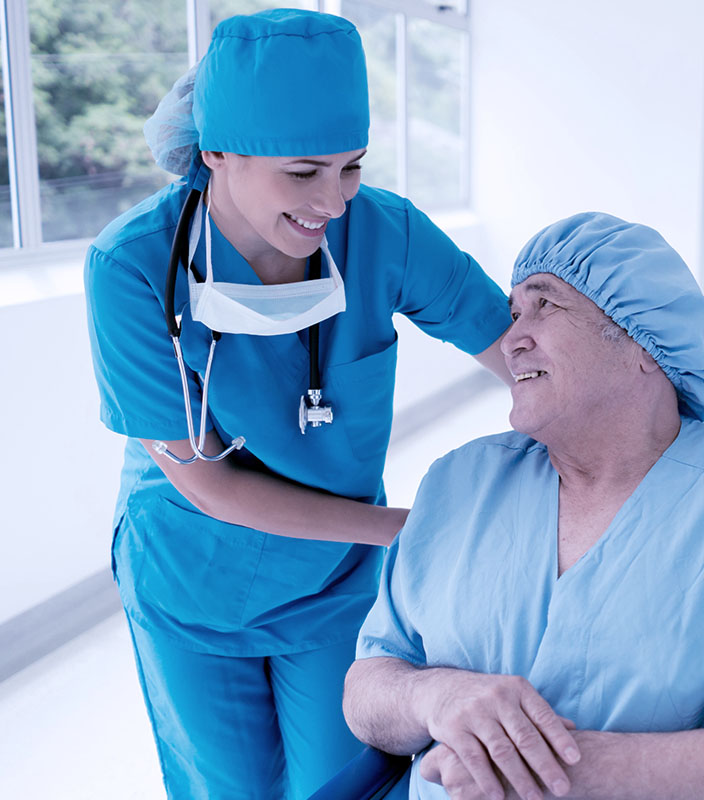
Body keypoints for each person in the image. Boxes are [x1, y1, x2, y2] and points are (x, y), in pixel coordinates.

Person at [82, 10, 513, 798]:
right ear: (217, 153)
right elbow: (206, 482)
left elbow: (517, 349)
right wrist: (412, 529)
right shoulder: (131, 267)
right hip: (190, 581)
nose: (336, 201)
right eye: (304, 171)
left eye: (352, 167)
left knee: (345, 785)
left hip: (336, 579)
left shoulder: (388, 235)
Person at [343, 212, 704, 800]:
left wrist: (556, 770)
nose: (511, 337)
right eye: (514, 313)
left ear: (645, 342)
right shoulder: (458, 483)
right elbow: (367, 686)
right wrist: (434, 695)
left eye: (544, 306)